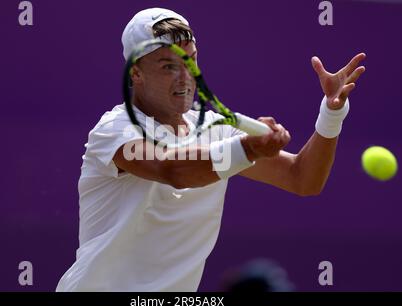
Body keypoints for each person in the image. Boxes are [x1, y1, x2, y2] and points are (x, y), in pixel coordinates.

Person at [56, 7, 366, 291]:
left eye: (190, 60)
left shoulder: (217, 130)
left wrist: (332, 113)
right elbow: (171, 169)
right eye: (168, 66)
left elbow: (303, 178)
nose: (185, 77)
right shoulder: (116, 128)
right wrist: (248, 148)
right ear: (135, 74)